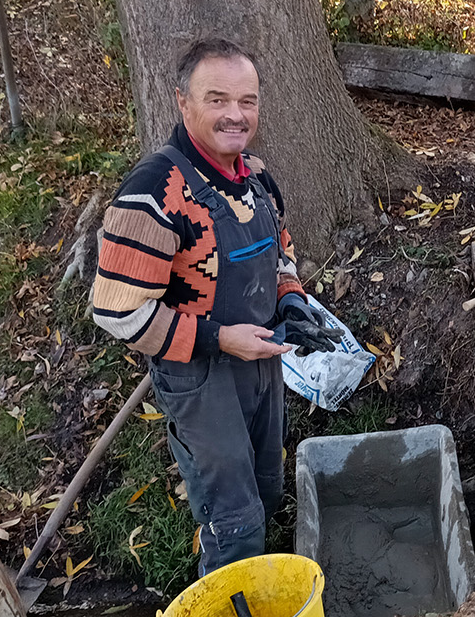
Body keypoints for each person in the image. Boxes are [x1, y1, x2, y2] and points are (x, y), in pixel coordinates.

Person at [91, 38, 340, 573]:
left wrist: (290, 299)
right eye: (218, 99)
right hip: (199, 379)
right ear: (183, 103)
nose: (236, 114)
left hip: (261, 362)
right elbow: (119, 310)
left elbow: (282, 249)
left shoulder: (254, 176)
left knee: (268, 490)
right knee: (234, 520)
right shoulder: (153, 191)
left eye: (247, 101)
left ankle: (263, 603)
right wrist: (221, 338)